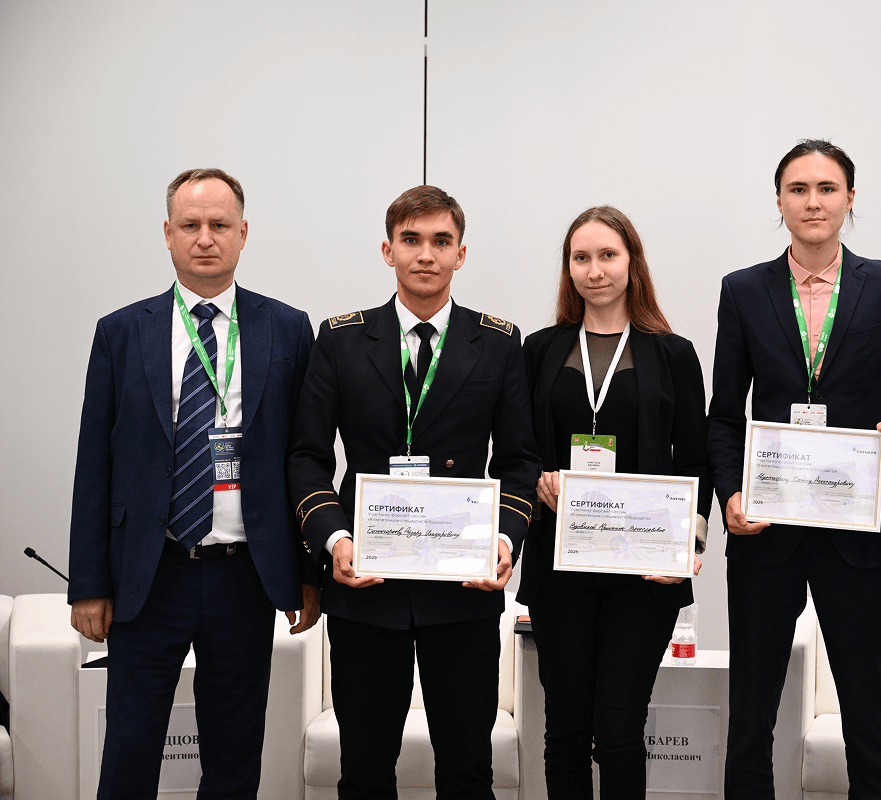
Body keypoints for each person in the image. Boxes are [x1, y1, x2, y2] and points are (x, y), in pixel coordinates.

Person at [68, 168, 321, 798]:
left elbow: (305, 457)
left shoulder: (287, 328)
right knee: (129, 748)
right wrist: (89, 583)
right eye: (190, 225)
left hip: (245, 573)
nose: (205, 238)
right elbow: (93, 463)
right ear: (167, 233)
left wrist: (306, 572)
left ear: (243, 234)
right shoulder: (122, 331)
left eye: (219, 225)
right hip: (148, 572)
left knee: (235, 751)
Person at [707, 139, 881, 799]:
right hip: (766, 529)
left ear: (850, 198)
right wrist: (730, 495)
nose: (813, 202)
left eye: (827, 188)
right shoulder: (744, 290)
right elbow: (723, 416)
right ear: (779, 201)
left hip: (856, 527)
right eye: (798, 189)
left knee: (866, 704)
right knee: (751, 709)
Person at [287, 185, 540, 800]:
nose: (426, 254)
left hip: (463, 589)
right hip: (364, 586)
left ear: (460, 254)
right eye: (411, 240)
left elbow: (518, 462)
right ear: (388, 250)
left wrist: (504, 540)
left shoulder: (498, 342)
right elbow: (307, 457)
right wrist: (335, 540)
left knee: (467, 773)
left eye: (441, 241)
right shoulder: (341, 338)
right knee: (364, 772)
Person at [519, 206, 710, 798]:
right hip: (560, 568)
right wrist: (538, 477)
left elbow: (697, 459)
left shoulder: (673, 354)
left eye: (608, 255)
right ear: (568, 268)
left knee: (620, 730)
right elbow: (518, 450)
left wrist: (691, 544)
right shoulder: (539, 349)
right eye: (581, 258)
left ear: (632, 263)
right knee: (565, 731)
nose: (594, 270)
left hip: (643, 572)